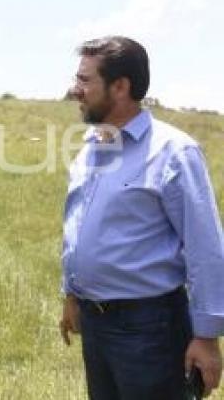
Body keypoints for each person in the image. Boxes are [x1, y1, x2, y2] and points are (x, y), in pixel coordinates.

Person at [60, 36, 224, 399]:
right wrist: (71, 296)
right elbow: (77, 227)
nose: (75, 90)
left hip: (150, 329)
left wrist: (207, 336)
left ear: (121, 87)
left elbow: (205, 246)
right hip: (96, 325)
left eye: (86, 80)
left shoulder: (173, 151)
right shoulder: (90, 149)